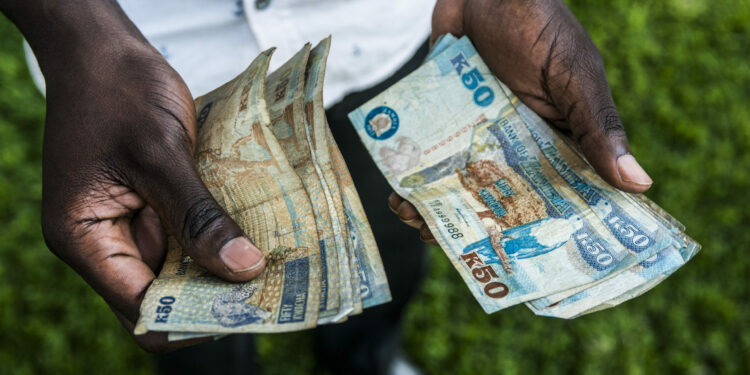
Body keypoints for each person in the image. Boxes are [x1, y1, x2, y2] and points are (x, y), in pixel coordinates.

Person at [0, 0, 653, 373]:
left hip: (381, 34)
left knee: (389, 235)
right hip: (151, 60)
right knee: (195, 311)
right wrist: (76, 37)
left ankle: (366, 358)